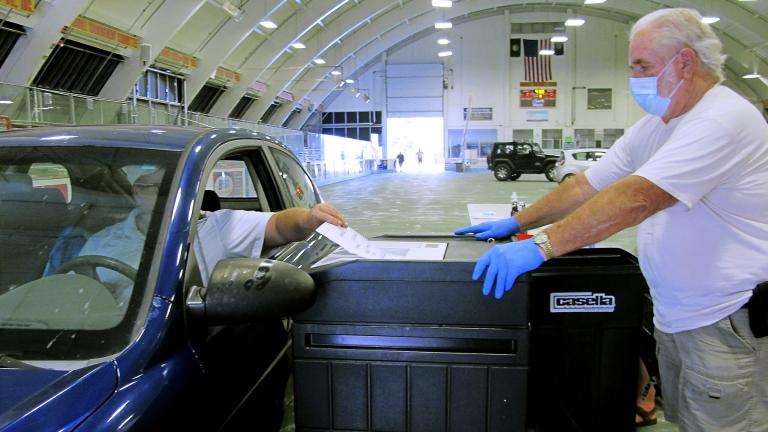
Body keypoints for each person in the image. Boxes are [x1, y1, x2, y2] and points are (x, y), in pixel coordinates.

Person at [455, 8, 768, 431]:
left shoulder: (722, 119)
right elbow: (588, 185)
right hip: (680, 315)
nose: (635, 77)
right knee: (690, 421)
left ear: (685, 62)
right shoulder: (660, 124)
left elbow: (637, 198)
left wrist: (542, 246)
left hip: (725, 319)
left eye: (643, 66)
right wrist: (517, 222)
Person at [78, 168, 347, 306]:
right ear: (137, 191)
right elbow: (78, 297)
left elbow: (277, 226)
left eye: (175, 186)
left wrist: (307, 219)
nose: (168, 196)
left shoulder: (218, 226)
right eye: (155, 187)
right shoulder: (102, 242)